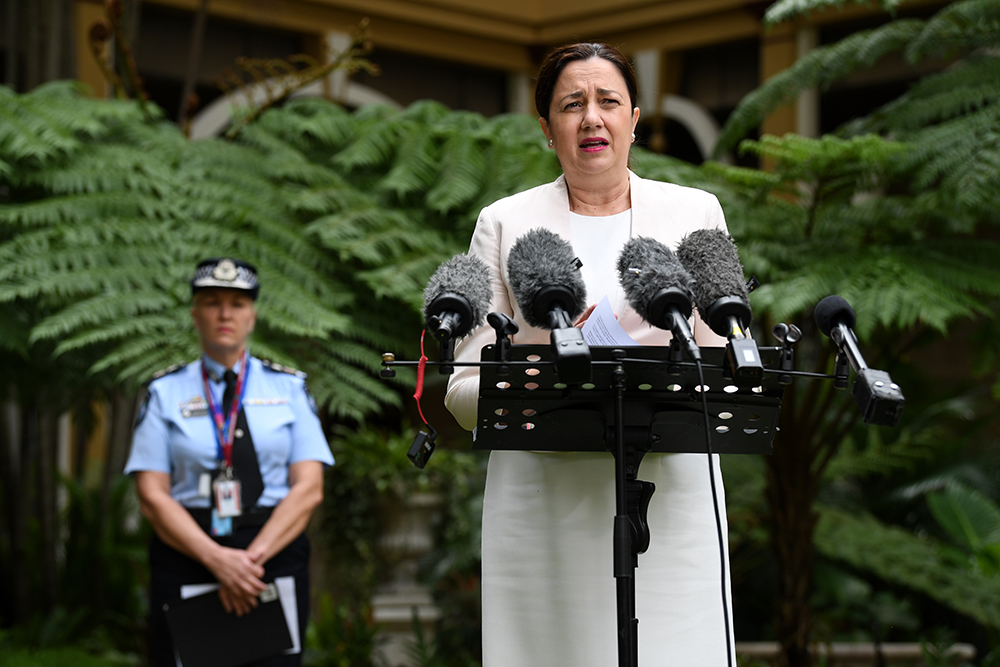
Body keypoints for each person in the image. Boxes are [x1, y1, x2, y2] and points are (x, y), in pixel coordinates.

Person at [444, 43, 736, 666]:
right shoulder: (504, 222)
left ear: (635, 118)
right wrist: (538, 365)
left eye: (608, 101)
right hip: (543, 503)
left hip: (671, 497)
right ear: (548, 130)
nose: (591, 118)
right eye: (571, 105)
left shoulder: (695, 213)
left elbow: (727, 363)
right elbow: (462, 391)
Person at [125, 258, 333, 667]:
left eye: (237, 304)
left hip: (270, 555)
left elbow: (309, 489)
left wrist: (247, 563)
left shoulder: (290, 388)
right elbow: (152, 496)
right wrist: (218, 560)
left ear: (252, 316)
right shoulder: (164, 392)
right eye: (211, 301)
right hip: (190, 552)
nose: (224, 313)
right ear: (194, 313)